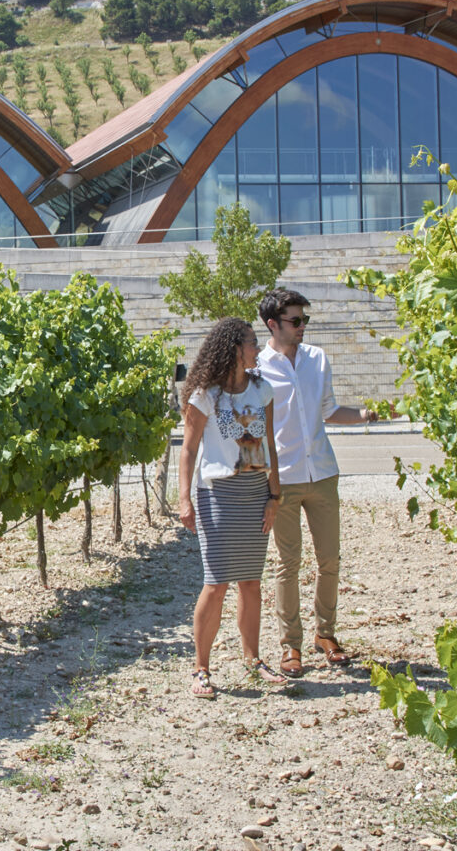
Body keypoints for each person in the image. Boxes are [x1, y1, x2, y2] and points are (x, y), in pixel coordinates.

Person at [257, 288, 379, 678]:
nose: (302, 326)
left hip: (323, 473)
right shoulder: (257, 367)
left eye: (304, 319)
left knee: (330, 560)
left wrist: (363, 415)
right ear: (273, 324)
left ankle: (325, 634)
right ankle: (290, 646)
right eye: (295, 320)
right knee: (287, 564)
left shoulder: (318, 359)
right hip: (284, 480)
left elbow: (329, 411)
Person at [177, 317, 284, 699]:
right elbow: (187, 450)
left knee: (251, 582)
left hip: (255, 492)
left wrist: (274, 496)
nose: (259, 349)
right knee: (217, 581)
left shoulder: (263, 390)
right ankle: (201, 669)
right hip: (218, 494)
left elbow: (269, 444)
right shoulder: (205, 395)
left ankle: (253, 660)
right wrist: (184, 498)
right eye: (253, 343)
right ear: (235, 349)